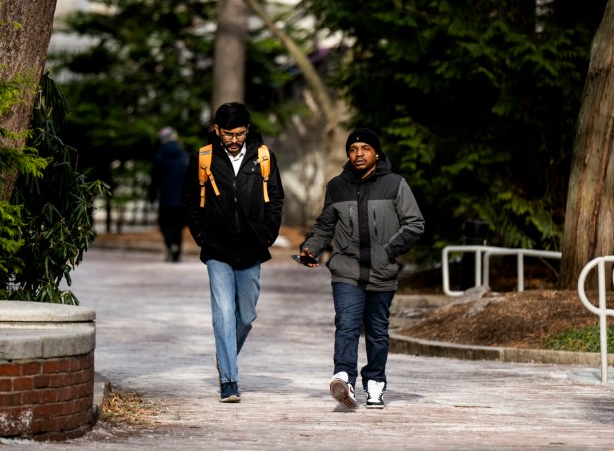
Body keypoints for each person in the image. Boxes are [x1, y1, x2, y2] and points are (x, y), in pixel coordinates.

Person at [298, 127, 424, 409]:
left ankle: (375, 383)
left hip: (382, 271)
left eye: (365, 149)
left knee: (378, 331)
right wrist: (311, 248)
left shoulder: (395, 184)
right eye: (353, 150)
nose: (358, 154)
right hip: (346, 270)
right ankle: (343, 376)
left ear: (376, 153)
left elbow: (415, 224)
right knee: (347, 324)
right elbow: (325, 225)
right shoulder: (337, 186)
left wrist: (390, 250)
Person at [182, 102, 285, 403]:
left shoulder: (263, 157)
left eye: (240, 133)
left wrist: (268, 234)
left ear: (247, 130)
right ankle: (229, 380)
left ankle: (225, 353)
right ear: (217, 130)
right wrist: (201, 235)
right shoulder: (203, 158)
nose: (234, 139)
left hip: (253, 247)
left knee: (247, 315)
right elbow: (189, 201)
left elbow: (276, 198)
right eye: (228, 134)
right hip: (217, 248)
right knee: (224, 313)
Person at [149, 126, 190, 262]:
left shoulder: (160, 157)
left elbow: (155, 180)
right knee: (178, 227)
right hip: (182, 199)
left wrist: (151, 196)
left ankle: (170, 244)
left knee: (164, 224)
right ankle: (176, 251)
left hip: (166, 199)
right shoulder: (185, 156)